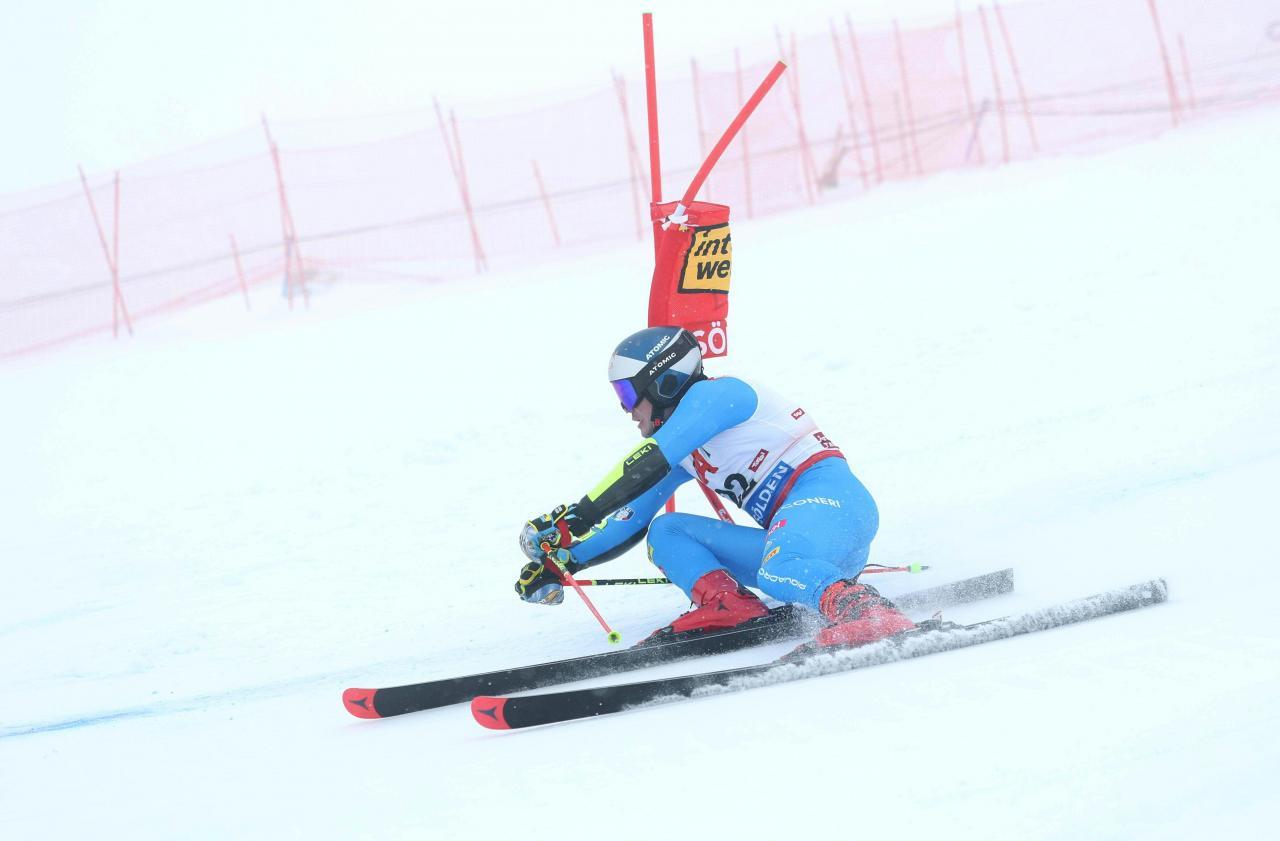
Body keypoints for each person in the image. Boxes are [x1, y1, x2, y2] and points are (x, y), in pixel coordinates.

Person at [516, 326, 916, 648]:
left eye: (628, 394)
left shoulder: (721, 394)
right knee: (667, 531)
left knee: (779, 569)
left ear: (664, 382)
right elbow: (630, 518)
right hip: (799, 542)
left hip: (835, 510)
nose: (627, 410)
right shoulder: (684, 449)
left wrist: (578, 515)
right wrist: (564, 561)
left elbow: (646, 461)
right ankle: (729, 606)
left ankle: (866, 611)